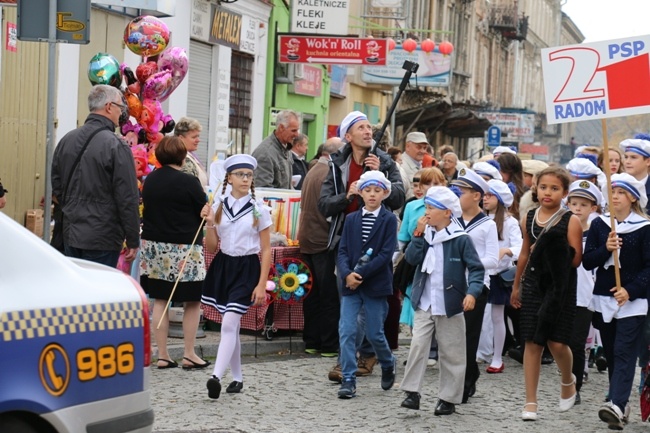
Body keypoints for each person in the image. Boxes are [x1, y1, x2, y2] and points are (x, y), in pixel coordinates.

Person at [318, 111, 405, 381]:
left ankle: (369, 353)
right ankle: (346, 361)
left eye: (370, 127)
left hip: (379, 240)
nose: (368, 131)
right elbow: (324, 205)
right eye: (361, 128)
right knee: (348, 303)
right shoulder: (336, 164)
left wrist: (380, 174)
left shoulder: (386, 161)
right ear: (348, 136)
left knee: (372, 306)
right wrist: (348, 196)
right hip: (346, 240)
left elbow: (399, 197)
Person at [399, 186, 484, 415]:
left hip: (450, 303)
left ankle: (448, 398)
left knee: (452, 351)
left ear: (447, 213)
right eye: (426, 207)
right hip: (424, 301)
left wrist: (472, 293)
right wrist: (417, 233)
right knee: (417, 346)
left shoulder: (460, 239)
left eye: (431, 208)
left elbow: (477, 269)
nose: (426, 212)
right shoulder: (424, 234)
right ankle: (411, 392)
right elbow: (412, 259)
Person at [510, 166, 583, 421]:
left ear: (564, 192)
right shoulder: (528, 217)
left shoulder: (570, 220)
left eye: (554, 188)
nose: (547, 192)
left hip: (559, 287)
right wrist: (516, 285)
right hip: (532, 284)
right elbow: (524, 253)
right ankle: (531, 401)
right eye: (543, 187)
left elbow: (575, 261)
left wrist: (556, 250)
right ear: (536, 188)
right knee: (531, 341)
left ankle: (568, 380)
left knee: (557, 342)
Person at [202, 154, 272, 399]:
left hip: (247, 268)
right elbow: (211, 247)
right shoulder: (219, 204)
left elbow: (266, 250)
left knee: (230, 323)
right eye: (240, 174)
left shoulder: (259, 209)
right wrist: (210, 223)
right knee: (231, 325)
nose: (245, 179)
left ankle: (215, 377)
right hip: (223, 265)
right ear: (229, 178)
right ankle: (238, 378)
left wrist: (262, 284)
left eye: (249, 175)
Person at [583, 173, 650, 429]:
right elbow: (588, 261)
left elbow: (648, 267)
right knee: (611, 352)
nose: (614, 197)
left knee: (624, 351)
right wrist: (606, 249)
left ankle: (617, 404)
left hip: (633, 301)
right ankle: (619, 403)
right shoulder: (600, 224)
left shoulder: (644, 227)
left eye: (620, 192)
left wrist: (630, 290)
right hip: (603, 298)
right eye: (611, 192)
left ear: (632, 197)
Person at [139, 136, 210, 370]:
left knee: (161, 299)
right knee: (192, 301)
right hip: (184, 248)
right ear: (182, 157)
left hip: (154, 247)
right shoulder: (188, 181)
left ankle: (163, 354)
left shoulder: (150, 181)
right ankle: (189, 353)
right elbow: (202, 209)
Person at [51, 84, 139, 267]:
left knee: (77, 291)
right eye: (120, 108)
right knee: (100, 291)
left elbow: (57, 186)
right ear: (108, 107)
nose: (120, 113)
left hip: (71, 232)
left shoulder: (67, 140)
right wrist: (132, 239)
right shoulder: (117, 146)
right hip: (103, 236)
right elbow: (127, 197)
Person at [336, 170, 397, 399]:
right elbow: (342, 252)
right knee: (347, 330)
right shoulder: (351, 219)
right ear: (360, 192)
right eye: (368, 190)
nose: (372, 195)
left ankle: (387, 361)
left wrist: (358, 274)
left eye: (377, 191)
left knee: (374, 333)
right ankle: (348, 378)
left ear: (385, 193)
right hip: (350, 285)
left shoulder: (389, 219)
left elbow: (385, 255)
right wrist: (346, 274)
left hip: (375, 284)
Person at [450, 168, 499, 403]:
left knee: (468, 336)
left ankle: (465, 383)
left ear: (477, 196)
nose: (459, 196)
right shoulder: (453, 221)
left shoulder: (487, 225)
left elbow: (493, 259)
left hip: (476, 286)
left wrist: (469, 263)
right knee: (452, 337)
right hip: (453, 285)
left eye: (463, 192)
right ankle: (465, 375)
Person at [299, 138, 342, 357]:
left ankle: (312, 340)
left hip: (307, 238)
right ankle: (328, 344)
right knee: (327, 295)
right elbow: (328, 211)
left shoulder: (313, 169)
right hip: (321, 241)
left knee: (312, 293)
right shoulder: (328, 173)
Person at [565, 180, 603, 404]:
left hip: (585, 295)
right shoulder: (561, 229)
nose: (578, 208)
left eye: (584, 205)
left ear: (593, 209)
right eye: (574, 203)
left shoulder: (597, 234)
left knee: (576, 344)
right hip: (562, 293)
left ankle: (575, 386)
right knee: (561, 342)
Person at [482, 179, 522, 374]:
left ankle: (497, 357)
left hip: (497, 275)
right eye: (484, 194)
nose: (485, 198)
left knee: (497, 317)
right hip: (479, 273)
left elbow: (519, 247)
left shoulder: (510, 222)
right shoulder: (479, 218)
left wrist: (506, 250)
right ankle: (477, 351)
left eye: (489, 195)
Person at [252, 109, 300, 189]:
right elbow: (263, 190)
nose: (297, 135)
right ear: (281, 127)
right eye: (293, 130)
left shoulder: (285, 148)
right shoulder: (265, 153)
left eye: (297, 130)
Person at [174, 117, 208, 189]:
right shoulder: (182, 158)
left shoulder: (190, 155)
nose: (198, 140)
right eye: (194, 137)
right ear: (181, 138)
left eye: (198, 136)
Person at [620, 136, 650, 214]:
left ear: (648, 161)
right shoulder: (617, 185)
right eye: (626, 157)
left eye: (633, 157)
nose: (627, 162)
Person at [497, 153, 525, 221]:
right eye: (497, 170)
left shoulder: (524, 194)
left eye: (503, 171)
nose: (499, 173)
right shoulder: (492, 190)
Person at [401, 132, 429, 198]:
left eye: (424, 148)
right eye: (419, 147)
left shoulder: (419, 164)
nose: (422, 151)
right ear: (408, 147)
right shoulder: (401, 166)